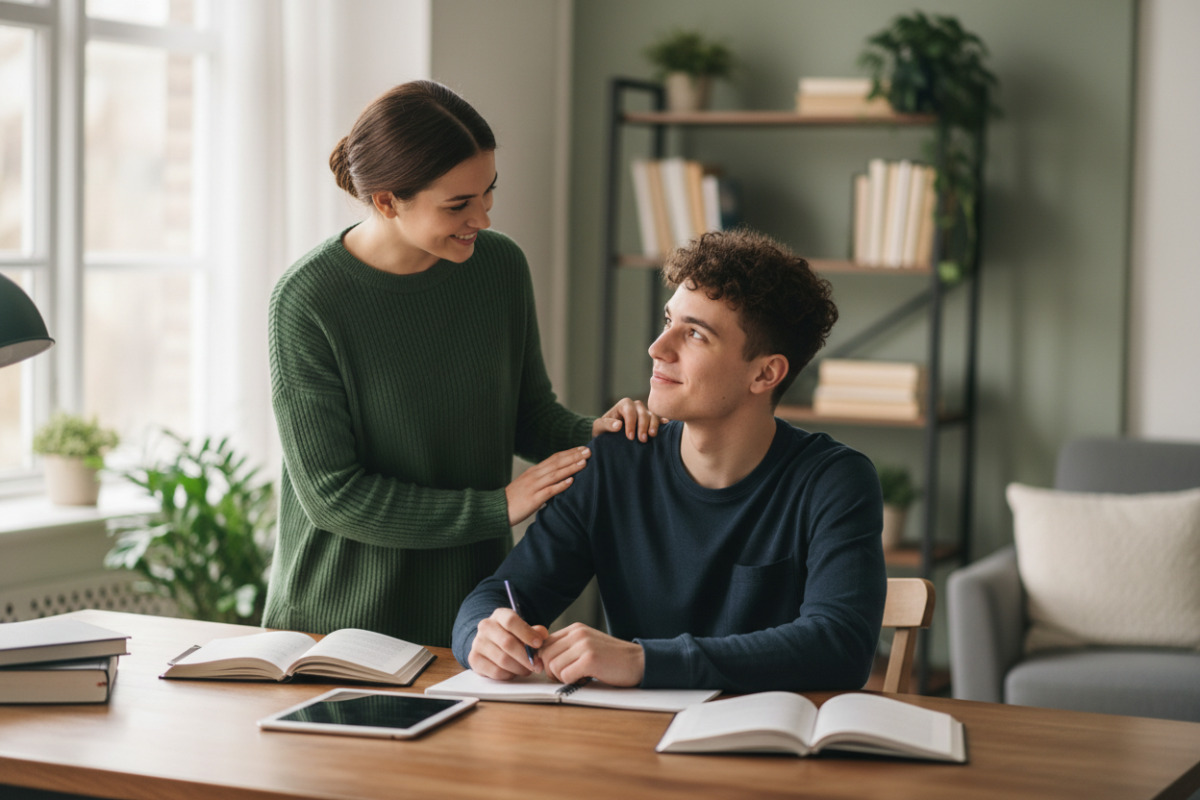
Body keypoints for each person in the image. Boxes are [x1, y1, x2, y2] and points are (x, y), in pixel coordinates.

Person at [264, 80, 658, 648]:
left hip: (468, 622)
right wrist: (497, 507)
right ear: (386, 201)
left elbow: (528, 415)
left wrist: (597, 434)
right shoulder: (307, 300)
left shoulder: (499, 268)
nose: (483, 218)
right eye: (458, 204)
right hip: (334, 626)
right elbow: (333, 495)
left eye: (487, 193)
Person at [453, 228, 887, 692]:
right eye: (668, 320)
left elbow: (840, 646)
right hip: (636, 742)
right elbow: (501, 594)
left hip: (770, 747)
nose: (658, 348)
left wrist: (645, 661)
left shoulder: (834, 481)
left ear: (765, 373)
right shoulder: (616, 463)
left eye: (695, 334)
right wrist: (482, 634)